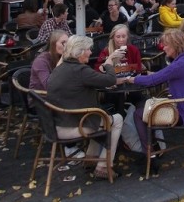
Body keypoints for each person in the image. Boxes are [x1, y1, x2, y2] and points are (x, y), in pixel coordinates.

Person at [47, 35, 126, 180]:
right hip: (73, 127)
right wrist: (109, 64)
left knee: (98, 119)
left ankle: (90, 159)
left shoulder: (58, 70)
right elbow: (110, 79)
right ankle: (103, 167)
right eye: (89, 49)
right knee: (117, 119)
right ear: (80, 52)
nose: (90, 53)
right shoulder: (81, 71)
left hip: (54, 125)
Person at [122, 29, 184, 154]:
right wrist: (147, 75)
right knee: (144, 107)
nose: (163, 48)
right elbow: (163, 76)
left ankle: (148, 154)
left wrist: (130, 79)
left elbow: (152, 80)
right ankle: (155, 146)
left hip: (183, 114)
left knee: (139, 114)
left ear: (176, 45)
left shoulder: (179, 65)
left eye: (166, 45)